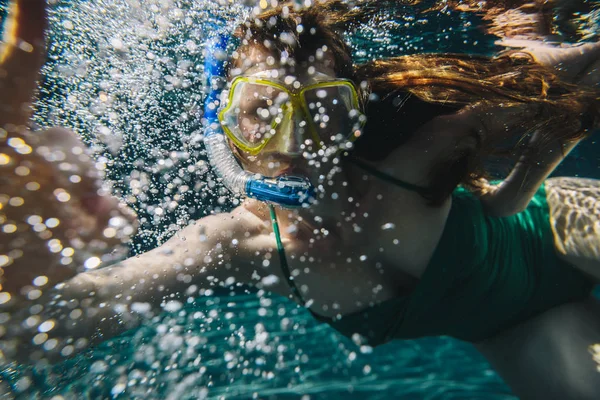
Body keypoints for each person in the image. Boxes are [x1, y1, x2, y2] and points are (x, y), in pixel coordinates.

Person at [1, 0, 600, 398]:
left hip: (561, 227)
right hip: (518, 330)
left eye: (321, 112)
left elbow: (579, 72)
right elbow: (29, 333)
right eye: (261, 112)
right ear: (223, 127)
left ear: (353, 116)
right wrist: (12, 268)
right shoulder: (237, 247)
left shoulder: (415, 141)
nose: (292, 144)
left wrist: (514, 194)